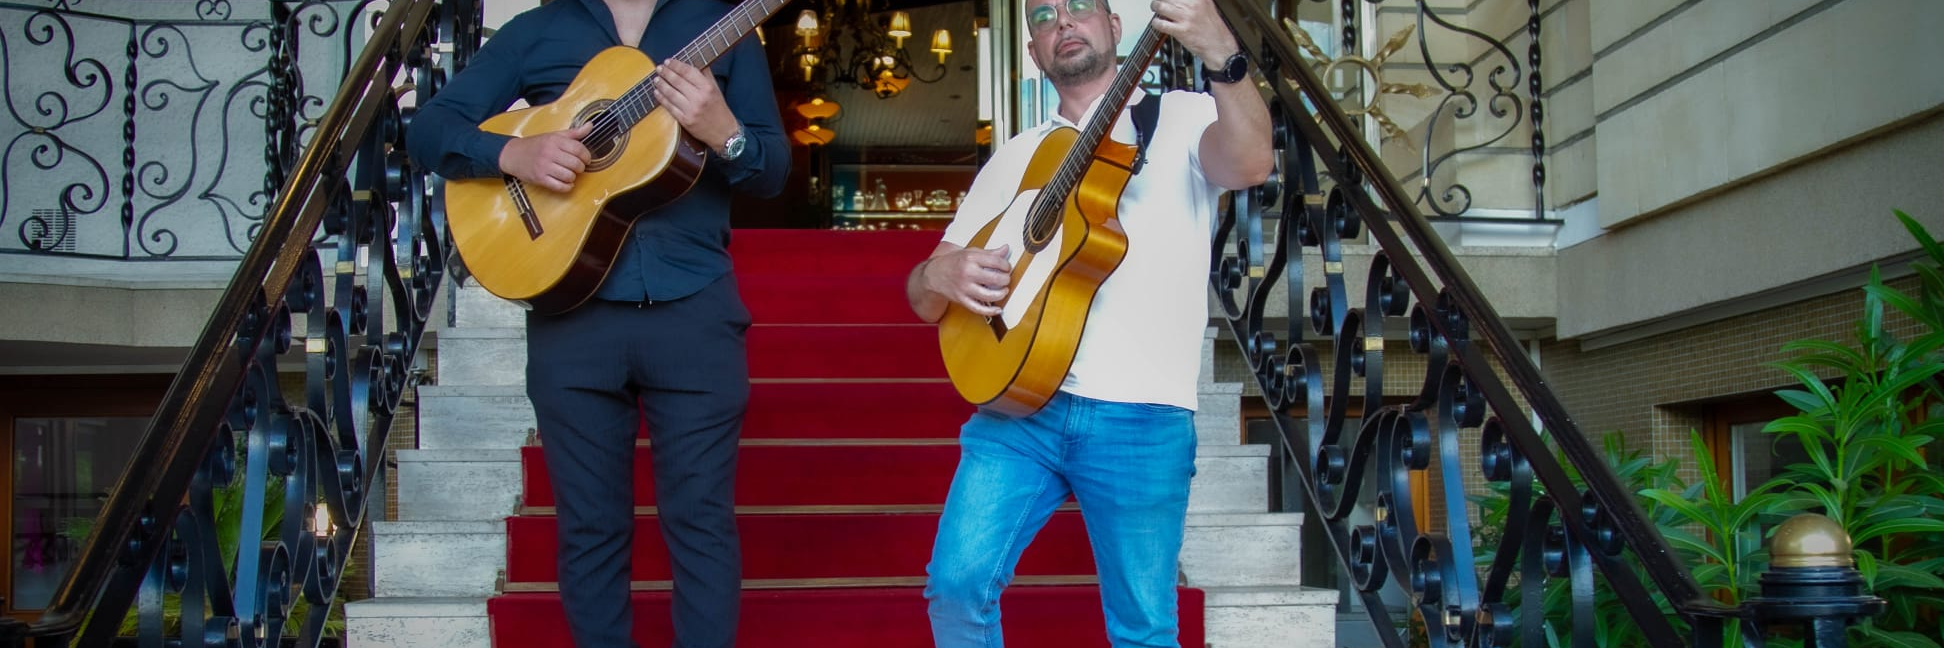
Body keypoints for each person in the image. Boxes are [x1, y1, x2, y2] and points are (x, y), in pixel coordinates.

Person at [405, 0, 788, 646]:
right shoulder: (538, 29)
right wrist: (512, 155)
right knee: (590, 528)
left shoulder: (721, 29)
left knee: (701, 523)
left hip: (694, 311)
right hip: (572, 314)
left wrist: (726, 132)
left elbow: (772, 171)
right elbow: (430, 129)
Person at [904, 0, 1271, 643]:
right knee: (956, 586)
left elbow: (1248, 164)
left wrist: (1225, 59)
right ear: (1034, 51)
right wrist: (937, 276)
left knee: (1142, 629)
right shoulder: (1018, 155)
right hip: (1017, 409)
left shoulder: (1179, 117)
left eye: (1079, 7)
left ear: (1113, 26)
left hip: (1143, 416)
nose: (1063, 22)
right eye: (1044, 17)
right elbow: (926, 292)